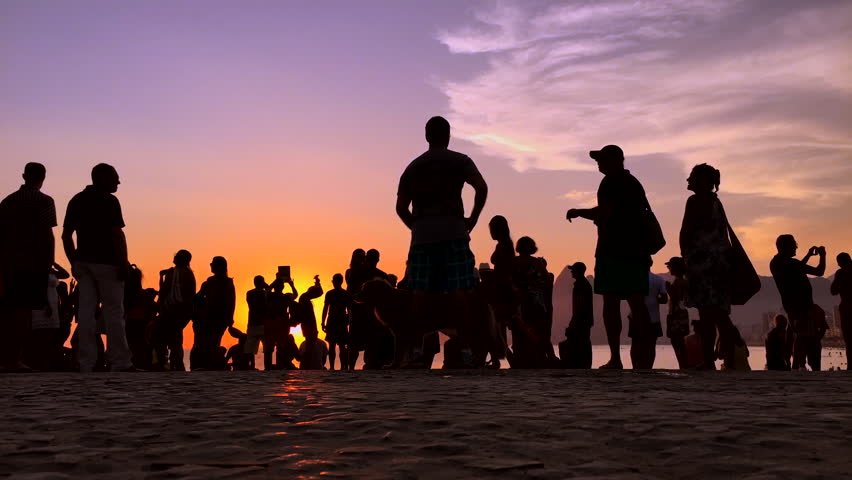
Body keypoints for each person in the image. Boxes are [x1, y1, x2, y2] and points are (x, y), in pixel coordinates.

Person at [396, 116, 490, 369]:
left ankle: (415, 351)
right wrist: (473, 218)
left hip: (423, 236)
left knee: (419, 293)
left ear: (426, 136)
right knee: (461, 291)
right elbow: (481, 188)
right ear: (448, 135)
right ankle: (468, 351)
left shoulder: (413, 167)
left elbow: (400, 208)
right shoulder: (460, 161)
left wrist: (416, 227)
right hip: (454, 231)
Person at [566, 145, 655, 369]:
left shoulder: (611, 183)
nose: (598, 163)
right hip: (636, 251)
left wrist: (579, 212)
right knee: (637, 303)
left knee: (612, 302)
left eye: (601, 159)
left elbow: (606, 212)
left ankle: (616, 358)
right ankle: (643, 358)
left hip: (613, 250)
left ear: (614, 160)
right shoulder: (634, 183)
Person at [62, 163, 134, 372]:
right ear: (102, 178)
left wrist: (74, 261)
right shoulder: (109, 201)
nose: (118, 181)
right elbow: (116, 234)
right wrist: (124, 262)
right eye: (115, 177)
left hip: (84, 264)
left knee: (85, 313)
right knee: (113, 312)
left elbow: (66, 236)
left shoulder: (76, 200)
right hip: (107, 263)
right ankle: (120, 361)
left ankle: (85, 361)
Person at [679, 163, 736, 370]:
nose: (688, 180)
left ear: (703, 181)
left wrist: (684, 256)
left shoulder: (695, 201)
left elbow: (687, 231)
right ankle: (727, 359)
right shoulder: (716, 203)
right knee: (719, 315)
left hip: (703, 265)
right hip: (719, 265)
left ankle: (710, 361)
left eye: (692, 176)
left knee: (708, 315)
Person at [0, 163, 57, 372]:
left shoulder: (8, 201)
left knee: (8, 312)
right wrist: (50, 261)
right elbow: (46, 233)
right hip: (32, 263)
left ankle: (7, 357)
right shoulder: (44, 201)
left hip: (9, 262)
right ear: (43, 177)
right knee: (24, 313)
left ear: (23, 176)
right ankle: (14, 359)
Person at [770, 235, 825, 370]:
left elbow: (798, 267)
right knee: (805, 338)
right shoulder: (790, 263)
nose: (796, 247)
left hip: (792, 307)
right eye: (794, 244)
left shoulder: (777, 263)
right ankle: (798, 367)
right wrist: (823, 255)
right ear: (785, 246)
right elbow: (819, 271)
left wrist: (807, 256)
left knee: (801, 336)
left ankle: (795, 365)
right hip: (801, 307)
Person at [513, 236, 554, 367]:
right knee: (537, 332)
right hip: (535, 303)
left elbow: (508, 280)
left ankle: (521, 359)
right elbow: (548, 280)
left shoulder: (513, 262)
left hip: (519, 302)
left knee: (519, 332)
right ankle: (537, 359)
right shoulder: (537, 263)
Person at [194, 256, 236, 370]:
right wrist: (230, 318)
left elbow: (199, 296)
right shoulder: (227, 282)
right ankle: (216, 365)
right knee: (213, 342)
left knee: (209, 343)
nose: (210, 265)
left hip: (211, 317)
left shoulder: (211, 281)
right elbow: (232, 301)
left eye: (212, 263)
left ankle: (214, 365)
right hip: (219, 318)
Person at [26, 263, 70, 371]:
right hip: (44, 305)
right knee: (41, 335)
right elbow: (39, 288)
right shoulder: (38, 271)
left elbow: (65, 274)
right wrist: (46, 304)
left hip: (54, 305)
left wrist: (54, 264)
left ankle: (46, 363)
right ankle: (38, 363)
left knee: (51, 335)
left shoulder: (51, 271)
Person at [486, 215, 516, 368]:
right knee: (498, 326)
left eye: (491, 229)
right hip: (505, 290)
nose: (490, 232)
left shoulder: (502, 246)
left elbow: (503, 272)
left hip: (501, 291)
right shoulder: (507, 245)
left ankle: (504, 359)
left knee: (496, 326)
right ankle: (502, 359)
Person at [157, 250, 196, 371]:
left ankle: (172, 363)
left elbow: (165, 290)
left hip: (174, 308)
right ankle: (176, 363)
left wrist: (160, 305)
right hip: (184, 310)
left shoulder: (174, 273)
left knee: (171, 336)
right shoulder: (189, 273)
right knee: (177, 336)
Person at [559, 262, 593, 369]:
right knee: (583, 344)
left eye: (573, 270)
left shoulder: (580, 285)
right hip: (585, 321)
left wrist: (573, 322)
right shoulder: (584, 284)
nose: (572, 272)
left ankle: (581, 365)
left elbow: (579, 305)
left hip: (581, 321)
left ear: (579, 271)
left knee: (581, 344)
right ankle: (584, 365)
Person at [633, 268, 666, 369]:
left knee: (636, 343)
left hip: (635, 315)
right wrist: (654, 299)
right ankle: (648, 367)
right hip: (654, 316)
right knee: (651, 345)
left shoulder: (633, 278)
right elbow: (664, 299)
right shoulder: (658, 279)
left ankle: (635, 366)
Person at [264, 277, 297, 370]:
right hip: (282, 324)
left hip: (271, 323)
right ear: (283, 287)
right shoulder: (286, 297)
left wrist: (275, 280)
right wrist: (291, 285)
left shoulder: (270, 296)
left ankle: (268, 368)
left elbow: (267, 290)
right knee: (281, 346)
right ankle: (280, 366)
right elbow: (295, 294)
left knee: (269, 347)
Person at [664, 257, 690, 369]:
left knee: (677, 340)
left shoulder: (679, 282)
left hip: (677, 313)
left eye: (670, 266)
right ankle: (682, 364)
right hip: (680, 312)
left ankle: (682, 364)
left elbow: (676, 298)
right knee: (679, 340)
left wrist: (669, 290)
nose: (669, 268)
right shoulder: (683, 281)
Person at [345, 249, 369, 368]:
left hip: (365, 307)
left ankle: (368, 363)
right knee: (353, 337)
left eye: (363, 256)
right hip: (354, 307)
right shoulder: (350, 271)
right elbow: (349, 286)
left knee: (366, 336)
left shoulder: (366, 271)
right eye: (359, 256)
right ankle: (351, 366)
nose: (362, 258)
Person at [322, 273, 350, 371]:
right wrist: (348, 320)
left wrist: (322, 322)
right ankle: (342, 366)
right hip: (340, 320)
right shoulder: (345, 293)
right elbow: (349, 310)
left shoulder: (330, 293)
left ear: (333, 282)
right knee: (341, 346)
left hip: (333, 320)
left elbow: (325, 309)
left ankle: (333, 367)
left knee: (333, 345)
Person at [830, 253, 852, 370]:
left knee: (849, 339)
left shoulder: (841, 273)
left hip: (847, 308)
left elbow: (833, 290)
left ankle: (850, 366)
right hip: (846, 307)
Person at [245, 275, 268, 366]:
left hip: (252, 323)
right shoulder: (265, 293)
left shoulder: (249, 293)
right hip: (263, 323)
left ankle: (250, 366)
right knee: (266, 348)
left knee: (250, 348)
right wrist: (267, 288)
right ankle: (267, 366)